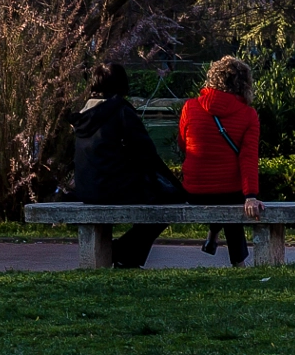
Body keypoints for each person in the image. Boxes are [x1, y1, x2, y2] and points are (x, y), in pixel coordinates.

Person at [70, 62, 179, 269]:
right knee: (167, 205)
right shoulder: (120, 111)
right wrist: (174, 185)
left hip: (86, 189)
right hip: (113, 188)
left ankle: (124, 253)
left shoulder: (84, 114)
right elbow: (146, 154)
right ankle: (123, 252)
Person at [178, 54, 262, 266]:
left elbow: (182, 145)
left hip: (194, 191)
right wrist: (250, 196)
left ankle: (213, 236)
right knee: (231, 196)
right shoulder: (248, 115)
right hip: (229, 192)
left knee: (219, 189)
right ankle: (239, 262)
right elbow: (248, 158)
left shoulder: (190, 107)